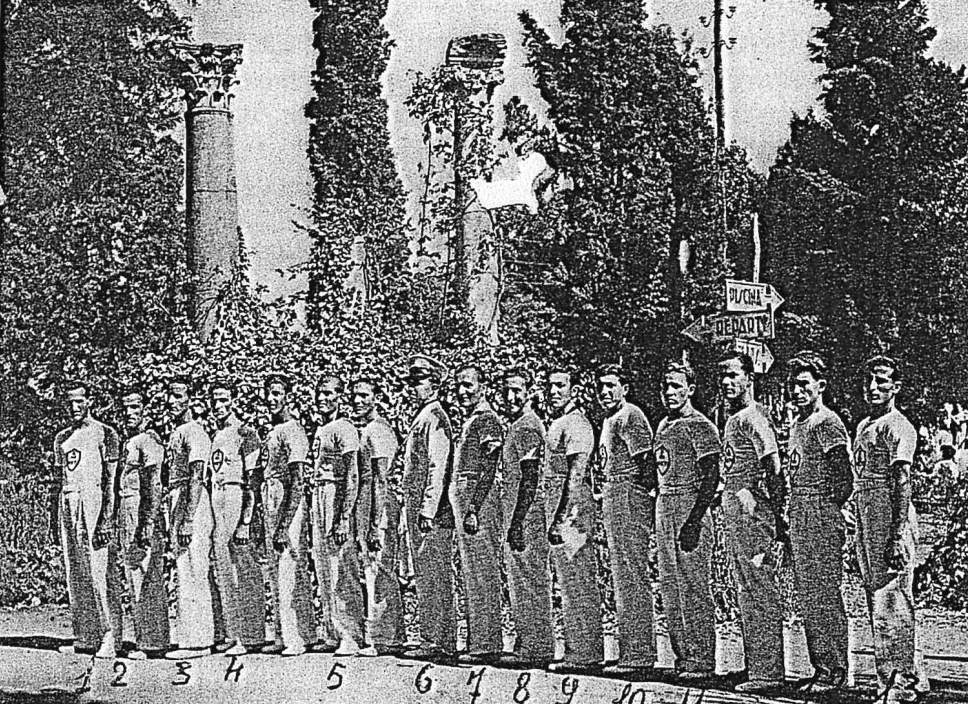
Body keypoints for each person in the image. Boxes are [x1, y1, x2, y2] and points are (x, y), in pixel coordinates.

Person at [853, 356, 929, 702]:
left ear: (896, 387)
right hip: (868, 514)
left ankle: (900, 685)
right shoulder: (865, 425)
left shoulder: (898, 426)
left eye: (882, 381)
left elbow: (901, 481)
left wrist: (897, 533)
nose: (873, 387)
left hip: (890, 514)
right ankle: (910, 676)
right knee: (881, 599)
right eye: (869, 380)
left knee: (892, 601)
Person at [718, 352, 787, 692]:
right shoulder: (734, 418)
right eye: (723, 376)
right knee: (746, 588)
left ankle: (769, 673)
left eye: (733, 375)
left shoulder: (754, 418)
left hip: (753, 512)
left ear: (749, 378)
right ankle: (756, 664)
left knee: (759, 587)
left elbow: (773, 467)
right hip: (738, 512)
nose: (726, 382)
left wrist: (779, 514)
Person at [785, 352, 852, 693]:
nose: (797, 391)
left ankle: (835, 670)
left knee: (824, 592)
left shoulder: (827, 422)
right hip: (800, 509)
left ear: (820, 386)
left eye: (803, 384)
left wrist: (825, 508)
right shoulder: (798, 423)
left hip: (820, 511)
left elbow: (844, 477)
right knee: (809, 594)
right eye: (793, 385)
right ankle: (821, 667)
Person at [652, 360, 720, 680]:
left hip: (690, 505)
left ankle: (702, 658)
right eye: (665, 386)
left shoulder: (701, 425)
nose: (669, 392)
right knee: (671, 585)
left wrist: (693, 521)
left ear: (690, 390)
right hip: (666, 503)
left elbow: (711, 476)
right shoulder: (664, 424)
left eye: (676, 386)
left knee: (693, 585)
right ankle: (684, 656)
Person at [596, 364, 656, 674]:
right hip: (613, 493)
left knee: (632, 573)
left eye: (611, 385)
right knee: (621, 573)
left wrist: (638, 499)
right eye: (600, 386)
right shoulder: (609, 419)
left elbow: (645, 464)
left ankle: (639, 655)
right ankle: (630, 650)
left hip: (629, 494)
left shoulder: (630, 415)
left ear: (625, 388)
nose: (605, 391)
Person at [54, 380, 120, 658]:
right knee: (76, 571)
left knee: (98, 570)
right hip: (69, 501)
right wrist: (55, 518)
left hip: (94, 500)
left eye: (79, 401)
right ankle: (85, 635)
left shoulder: (105, 433)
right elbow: (59, 479)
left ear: (90, 401)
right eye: (70, 402)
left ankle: (110, 635)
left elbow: (111, 481)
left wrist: (106, 518)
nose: (74, 407)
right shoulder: (62, 438)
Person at [544, 368, 603, 673]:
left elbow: (576, 474)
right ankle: (577, 650)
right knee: (567, 582)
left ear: (574, 390)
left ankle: (585, 653)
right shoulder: (558, 422)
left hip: (573, 510)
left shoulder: (577, 423)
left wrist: (560, 519)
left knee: (578, 581)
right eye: (549, 386)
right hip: (557, 501)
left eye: (560, 385)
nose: (553, 391)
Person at [399, 354, 457, 660]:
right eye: (411, 382)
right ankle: (433, 638)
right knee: (426, 574)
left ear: (434, 384)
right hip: (418, 504)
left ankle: (438, 641)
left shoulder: (435, 417)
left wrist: (428, 508)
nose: (413, 388)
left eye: (419, 381)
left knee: (434, 575)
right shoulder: (423, 416)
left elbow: (438, 465)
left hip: (429, 509)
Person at [499, 369, 555, 666]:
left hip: (527, 511)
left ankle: (536, 647)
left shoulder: (528, 426)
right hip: (517, 508)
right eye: (506, 391)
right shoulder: (518, 425)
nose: (510, 397)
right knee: (521, 579)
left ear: (530, 392)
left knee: (530, 579)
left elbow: (530, 477)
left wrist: (518, 522)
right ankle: (529, 643)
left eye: (517, 391)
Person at [308, 375, 366, 656]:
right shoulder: (322, 428)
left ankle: (350, 634)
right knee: (323, 567)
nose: (323, 398)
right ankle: (332, 632)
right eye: (319, 393)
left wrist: (344, 517)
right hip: (319, 493)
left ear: (339, 397)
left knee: (341, 567)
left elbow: (352, 475)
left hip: (336, 495)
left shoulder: (345, 428)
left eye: (329, 393)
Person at [208, 378, 266, 656]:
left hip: (237, 497)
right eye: (214, 400)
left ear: (233, 401)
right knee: (225, 570)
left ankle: (250, 635)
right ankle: (233, 634)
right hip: (217, 497)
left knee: (244, 569)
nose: (218, 405)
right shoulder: (216, 435)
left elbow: (253, 480)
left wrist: (246, 521)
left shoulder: (246, 433)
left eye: (223, 399)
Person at [259, 372, 315, 656]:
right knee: (275, 568)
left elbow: (298, 479)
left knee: (289, 566)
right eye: (268, 393)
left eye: (277, 393)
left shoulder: (294, 430)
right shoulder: (273, 430)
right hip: (271, 496)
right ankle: (282, 635)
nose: (271, 399)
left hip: (287, 500)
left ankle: (298, 637)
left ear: (288, 397)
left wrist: (284, 525)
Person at [452, 365, 505, 663]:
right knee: (472, 572)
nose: (462, 391)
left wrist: (473, 508)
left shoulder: (487, 420)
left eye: (468, 385)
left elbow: (490, 466)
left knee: (482, 571)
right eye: (458, 386)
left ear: (482, 386)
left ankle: (486, 643)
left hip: (479, 498)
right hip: (466, 495)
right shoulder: (472, 419)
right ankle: (479, 641)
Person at [110, 386, 167, 659]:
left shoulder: (149, 440)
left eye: (135, 407)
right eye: (125, 408)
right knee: (133, 574)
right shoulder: (130, 441)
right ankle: (145, 638)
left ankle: (153, 642)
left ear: (145, 409)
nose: (129, 413)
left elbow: (154, 484)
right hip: (127, 509)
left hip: (141, 510)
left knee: (146, 574)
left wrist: (148, 523)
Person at [163, 375, 215, 659]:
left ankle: (197, 642)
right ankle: (197, 636)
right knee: (184, 568)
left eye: (178, 396)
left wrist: (188, 518)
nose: (172, 401)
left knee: (193, 569)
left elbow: (197, 475)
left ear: (191, 400)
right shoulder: (178, 431)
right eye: (169, 396)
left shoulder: (195, 432)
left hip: (191, 500)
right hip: (177, 496)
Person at [351, 377, 404, 656]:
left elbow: (381, 479)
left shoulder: (379, 430)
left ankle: (384, 637)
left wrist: (375, 523)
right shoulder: (368, 429)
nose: (357, 401)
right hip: (368, 505)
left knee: (379, 570)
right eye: (355, 395)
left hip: (379, 507)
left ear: (377, 398)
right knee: (371, 569)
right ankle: (382, 635)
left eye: (364, 395)